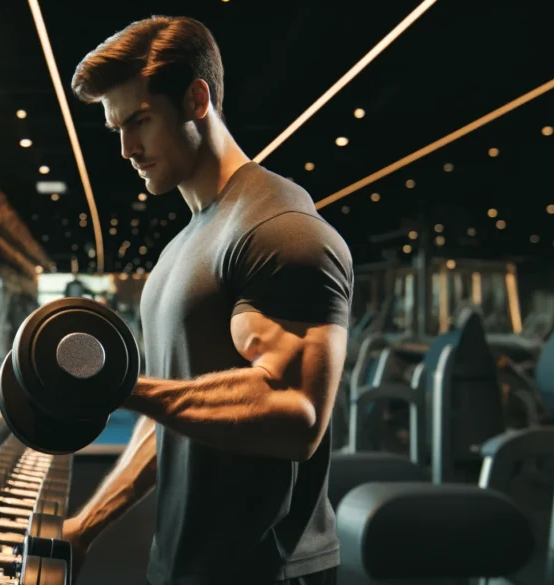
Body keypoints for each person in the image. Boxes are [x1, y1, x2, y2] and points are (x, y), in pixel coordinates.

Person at [65, 16, 354, 585]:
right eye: (116, 128)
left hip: (266, 572)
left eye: (140, 121)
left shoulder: (279, 229)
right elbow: (176, 411)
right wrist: (86, 525)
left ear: (197, 99)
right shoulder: (182, 247)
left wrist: (122, 386)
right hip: (181, 565)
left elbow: (298, 415)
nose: (126, 148)